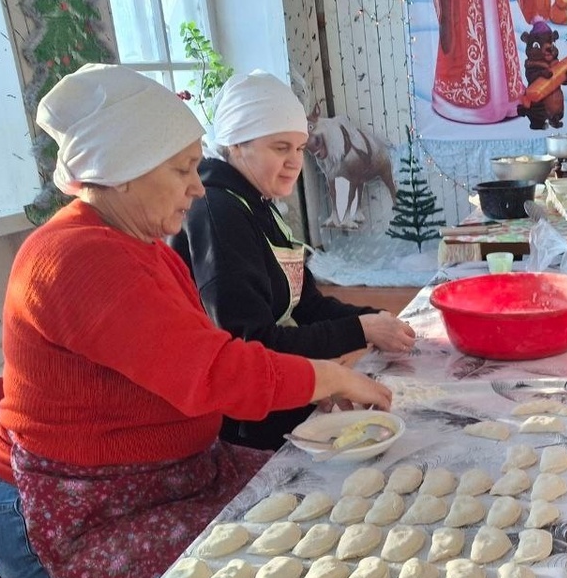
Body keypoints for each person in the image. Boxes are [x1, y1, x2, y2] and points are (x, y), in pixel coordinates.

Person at [0, 64, 392, 578]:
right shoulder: (78, 259)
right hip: (76, 517)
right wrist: (330, 376)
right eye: (183, 170)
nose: (198, 187)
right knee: (294, 568)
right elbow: (213, 373)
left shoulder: (138, 244)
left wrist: (308, 384)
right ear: (122, 173)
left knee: (341, 502)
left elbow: (201, 353)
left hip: (169, 478)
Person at [171, 70, 415, 450]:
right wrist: (359, 331)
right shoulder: (218, 214)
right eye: (280, 147)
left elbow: (307, 303)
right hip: (251, 428)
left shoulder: (260, 203)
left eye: (300, 148)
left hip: (287, 394)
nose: (294, 162)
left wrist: (377, 320)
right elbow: (250, 343)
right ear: (237, 145)